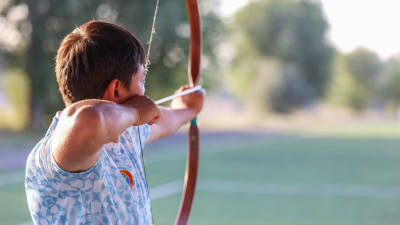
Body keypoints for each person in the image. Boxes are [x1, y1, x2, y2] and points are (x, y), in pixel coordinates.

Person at [25, 21, 204, 225]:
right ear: (116, 90)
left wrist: (188, 109)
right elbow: (89, 119)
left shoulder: (127, 133)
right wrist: (135, 112)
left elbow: (165, 122)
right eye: (142, 80)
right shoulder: (60, 151)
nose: (144, 91)